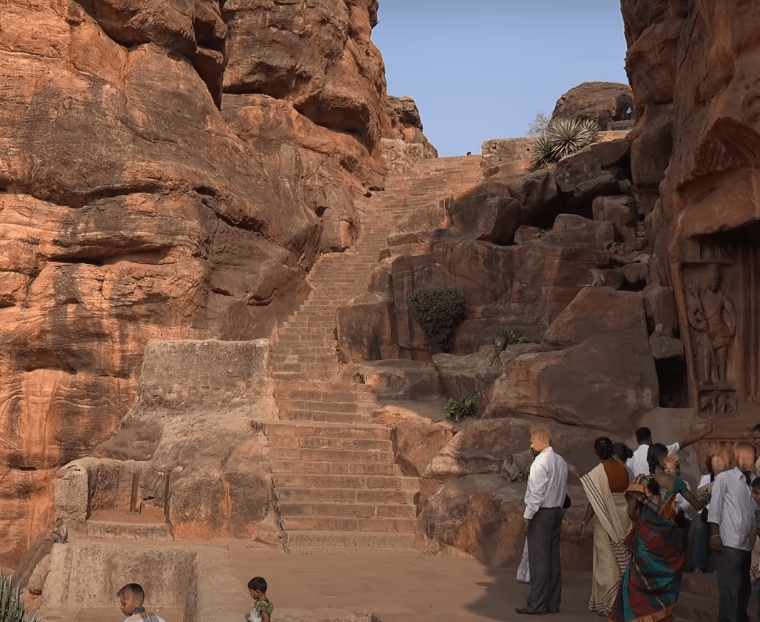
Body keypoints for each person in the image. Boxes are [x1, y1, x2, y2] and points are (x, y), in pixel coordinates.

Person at [609, 444, 707, 622]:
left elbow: (631, 512)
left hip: (645, 543)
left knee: (636, 584)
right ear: (663, 460)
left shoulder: (641, 482)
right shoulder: (676, 482)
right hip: (668, 545)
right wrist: (708, 495)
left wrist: (644, 523)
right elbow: (698, 505)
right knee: (665, 587)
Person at [516, 428, 568, 616]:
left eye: (532, 442)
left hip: (542, 514)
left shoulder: (540, 463)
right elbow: (562, 489)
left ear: (542, 442)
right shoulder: (561, 461)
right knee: (553, 559)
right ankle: (552, 604)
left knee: (539, 560)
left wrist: (527, 517)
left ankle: (536, 605)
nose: (530, 446)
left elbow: (536, 494)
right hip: (556, 512)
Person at [578, 437, 632, 617]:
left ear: (596, 452)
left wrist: (584, 522)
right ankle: (623, 600)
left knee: (607, 562)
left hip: (605, 520)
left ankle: (610, 604)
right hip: (623, 518)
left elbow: (594, 503)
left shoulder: (597, 473)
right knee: (622, 560)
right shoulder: (625, 470)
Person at [709, 442, 757, 622]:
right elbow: (715, 508)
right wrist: (715, 534)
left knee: (744, 591)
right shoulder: (724, 478)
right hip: (729, 542)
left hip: (748, 545)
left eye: (752, 455)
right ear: (736, 457)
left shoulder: (755, 481)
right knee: (730, 591)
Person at [627, 426, 706, 478]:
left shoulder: (631, 458)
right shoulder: (661, 451)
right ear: (650, 438)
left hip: (641, 495)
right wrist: (702, 433)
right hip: (660, 494)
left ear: (637, 440)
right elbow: (683, 443)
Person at [693, 454, 727, 573]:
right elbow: (701, 491)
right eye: (716, 461)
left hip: (722, 514)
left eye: (720, 460)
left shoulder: (729, 477)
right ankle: (698, 567)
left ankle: (718, 568)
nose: (718, 463)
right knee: (699, 528)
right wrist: (716, 482)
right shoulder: (706, 477)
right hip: (705, 512)